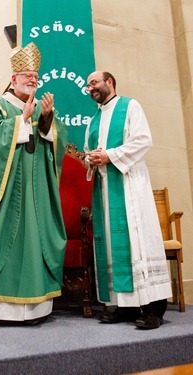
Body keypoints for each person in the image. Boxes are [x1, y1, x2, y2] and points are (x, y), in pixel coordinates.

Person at [0, 42, 67, 330]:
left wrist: (46, 120)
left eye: (35, 76)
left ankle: (32, 311)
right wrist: (22, 120)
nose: (32, 80)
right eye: (26, 76)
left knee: (35, 240)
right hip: (4, 193)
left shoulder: (41, 106)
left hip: (35, 192)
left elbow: (57, 142)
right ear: (14, 78)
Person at [84, 71, 172, 329]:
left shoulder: (130, 106)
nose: (91, 88)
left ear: (109, 82)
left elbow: (143, 141)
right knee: (113, 246)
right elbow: (90, 153)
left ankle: (155, 309)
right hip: (106, 192)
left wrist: (109, 156)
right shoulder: (93, 121)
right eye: (88, 85)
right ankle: (126, 306)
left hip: (130, 187)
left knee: (139, 242)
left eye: (94, 83)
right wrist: (91, 159)